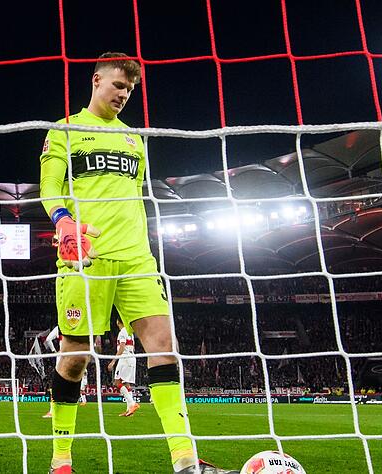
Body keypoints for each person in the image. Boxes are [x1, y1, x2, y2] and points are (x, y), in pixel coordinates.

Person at [39, 51, 237, 474]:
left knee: (165, 347)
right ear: (96, 81)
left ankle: (185, 461)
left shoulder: (134, 138)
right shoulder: (66, 129)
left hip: (137, 259)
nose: (124, 94)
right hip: (86, 257)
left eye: (129, 89)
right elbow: (50, 186)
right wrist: (63, 220)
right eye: (118, 85)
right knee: (75, 357)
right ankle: (61, 460)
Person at [108, 318, 139, 416]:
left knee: (117, 382)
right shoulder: (130, 333)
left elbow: (121, 347)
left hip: (125, 358)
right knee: (126, 384)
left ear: (118, 322)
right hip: (132, 358)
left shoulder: (122, 332)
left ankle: (133, 404)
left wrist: (113, 361)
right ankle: (129, 410)